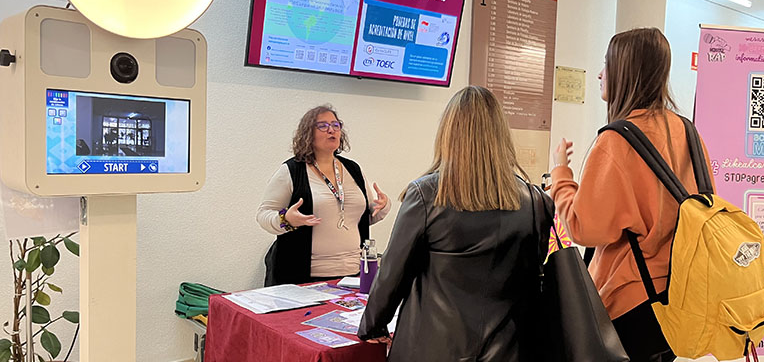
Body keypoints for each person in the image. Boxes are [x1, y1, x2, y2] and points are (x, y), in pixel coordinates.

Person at [550, 27, 712, 362]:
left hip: (631, 299)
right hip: (678, 295)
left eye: (606, 64)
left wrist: (560, 176)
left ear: (625, 72)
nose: (599, 74)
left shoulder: (616, 141)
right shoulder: (688, 131)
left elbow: (584, 229)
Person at [358, 86, 554, 362]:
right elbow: (533, 276)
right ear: (501, 134)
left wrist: (372, 325)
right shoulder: (536, 200)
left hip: (432, 348)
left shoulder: (426, 195)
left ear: (448, 132)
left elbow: (393, 273)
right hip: (509, 348)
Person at [257, 104, 390, 285]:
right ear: (308, 133)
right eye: (323, 126)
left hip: (354, 275)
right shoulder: (292, 170)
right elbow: (264, 214)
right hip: (305, 278)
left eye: (336, 125)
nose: (331, 130)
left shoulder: (353, 169)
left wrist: (382, 206)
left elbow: (363, 217)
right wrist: (286, 219)